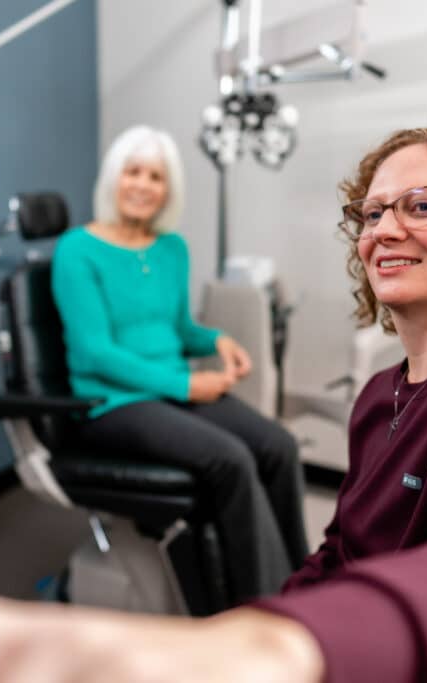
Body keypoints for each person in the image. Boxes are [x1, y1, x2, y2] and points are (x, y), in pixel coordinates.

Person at [0, 123, 427, 683]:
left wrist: (278, 644)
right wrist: (264, 628)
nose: (383, 228)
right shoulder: (380, 399)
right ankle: (246, 600)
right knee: (229, 461)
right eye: (371, 212)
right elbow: (345, 553)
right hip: (112, 398)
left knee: (267, 443)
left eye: (422, 204)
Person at [50, 125, 309, 603]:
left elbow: (178, 329)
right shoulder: (76, 250)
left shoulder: (171, 248)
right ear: (114, 178)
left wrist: (220, 339)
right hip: (112, 402)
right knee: (229, 460)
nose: (143, 185)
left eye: (156, 177)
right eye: (134, 172)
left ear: (168, 189)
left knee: (278, 445)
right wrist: (186, 385)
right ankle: (264, 608)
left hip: (171, 390)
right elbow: (94, 352)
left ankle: (303, 586)